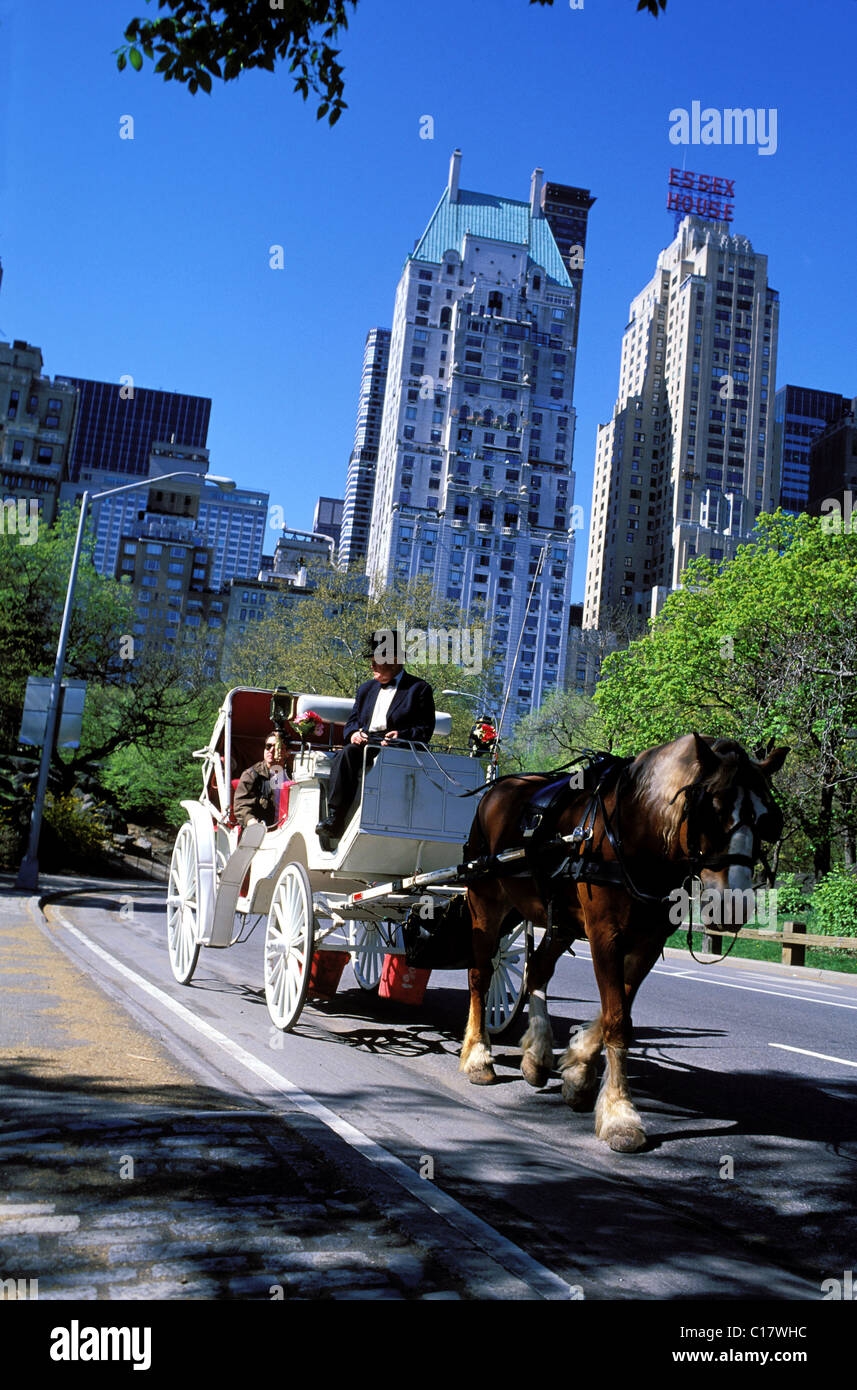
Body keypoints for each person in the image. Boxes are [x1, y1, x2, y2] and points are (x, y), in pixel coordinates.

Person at [315, 629, 435, 848]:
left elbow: (425, 729)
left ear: (395, 661)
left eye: (376, 662)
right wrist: (354, 734)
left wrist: (402, 735)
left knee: (363, 754)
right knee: (348, 752)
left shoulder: (419, 689)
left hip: (396, 746)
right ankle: (335, 816)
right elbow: (352, 722)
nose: (371, 667)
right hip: (366, 742)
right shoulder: (365, 689)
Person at [233, 734, 286, 829]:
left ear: (287, 752)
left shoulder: (294, 775)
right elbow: (241, 805)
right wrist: (251, 821)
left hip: (289, 828)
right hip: (264, 831)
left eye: (277, 747)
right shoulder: (251, 774)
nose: (271, 750)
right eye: (268, 746)